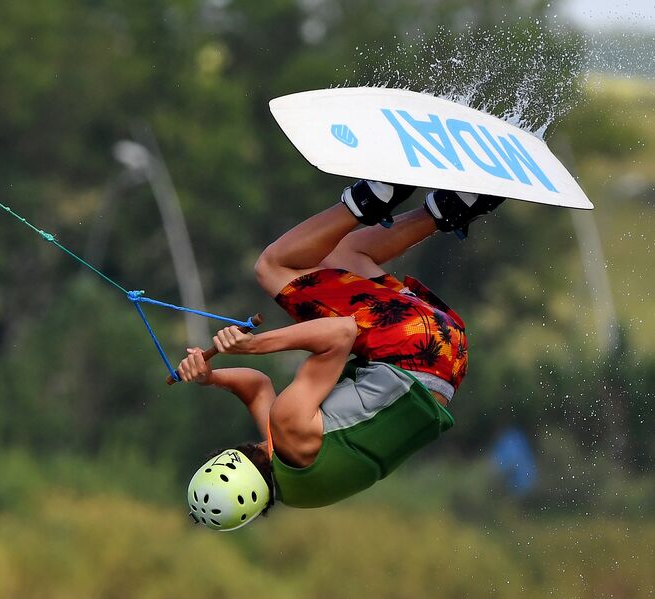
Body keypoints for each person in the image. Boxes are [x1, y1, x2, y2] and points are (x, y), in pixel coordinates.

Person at [180, 181, 502, 530]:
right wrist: (254, 345)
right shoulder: (289, 426)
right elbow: (341, 333)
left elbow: (258, 388)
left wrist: (209, 377)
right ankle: (371, 197)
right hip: (411, 344)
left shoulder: (297, 483)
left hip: (448, 358)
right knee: (272, 267)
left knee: (344, 257)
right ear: (228, 456)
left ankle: (454, 206)